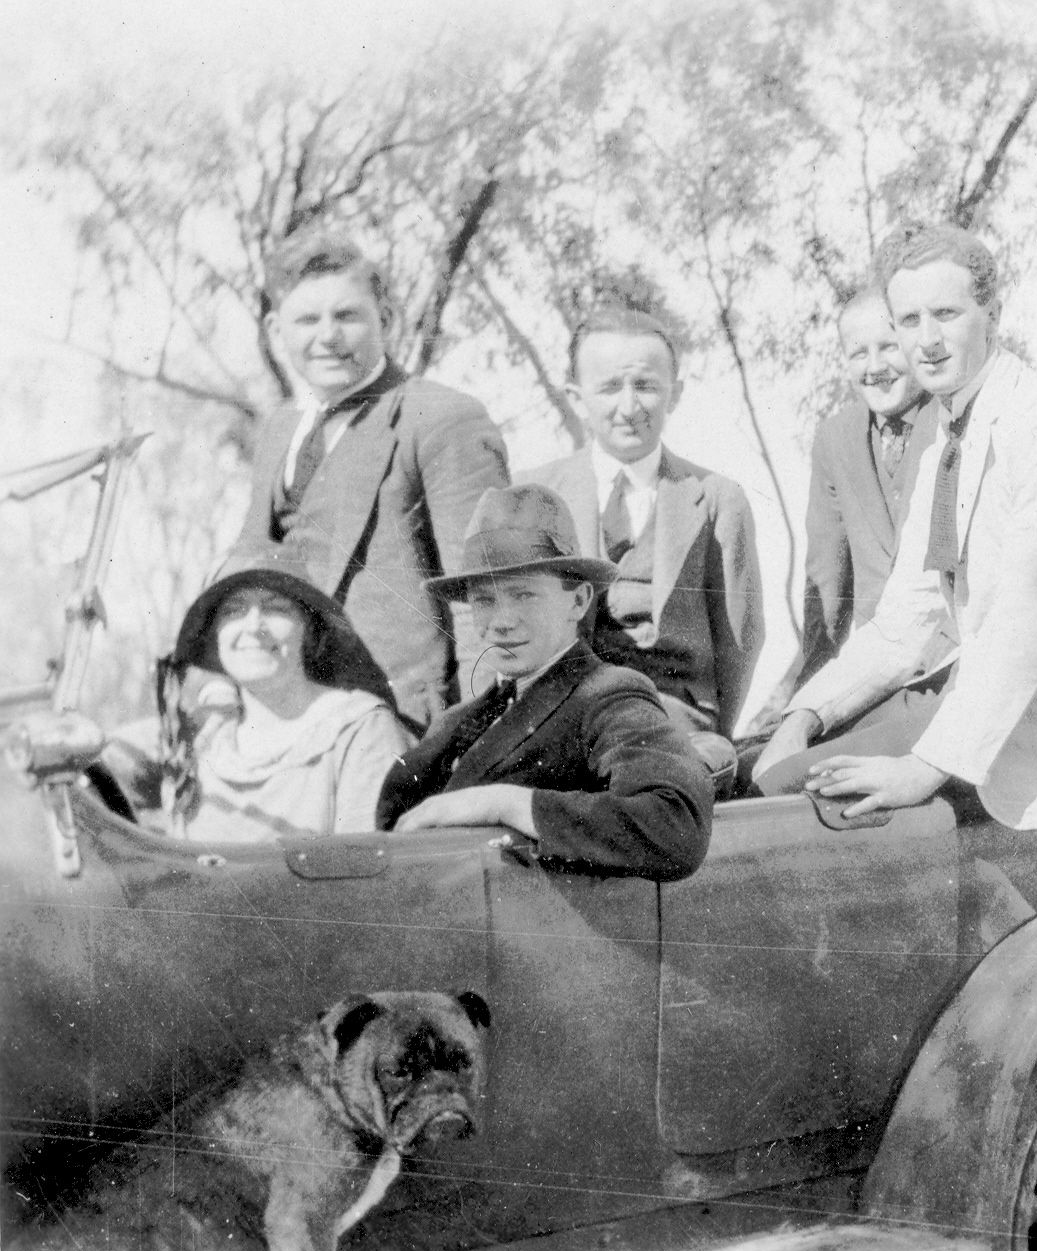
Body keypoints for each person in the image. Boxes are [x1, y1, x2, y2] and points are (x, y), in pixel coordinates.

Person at [755, 222, 1037, 830]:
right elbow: (909, 619)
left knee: (795, 798)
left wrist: (925, 766)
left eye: (946, 313)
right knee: (770, 773)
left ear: (992, 313)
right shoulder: (951, 441)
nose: (926, 340)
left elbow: (1029, 621)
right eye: (908, 320)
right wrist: (806, 715)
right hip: (995, 719)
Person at [230, 232, 509, 731]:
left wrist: (476, 746)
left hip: (402, 721)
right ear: (276, 331)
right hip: (289, 711)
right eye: (307, 320)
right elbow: (247, 563)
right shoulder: (279, 431)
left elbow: (484, 604)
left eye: (347, 316)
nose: (328, 337)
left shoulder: (441, 419)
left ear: (386, 316)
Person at [376, 484, 715, 882]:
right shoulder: (457, 721)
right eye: (485, 600)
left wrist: (502, 804)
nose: (502, 620)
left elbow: (675, 826)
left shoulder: (608, 694)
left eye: (524, 595)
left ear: (579, 601)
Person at [520, 307, 763, 779]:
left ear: (675, 393)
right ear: (576, 397)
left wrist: (711, 729)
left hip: (673, 720)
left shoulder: (716, 499)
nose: (629, 407)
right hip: (560, 716)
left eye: (646, 386)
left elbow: (740, 639)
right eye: (610, 387)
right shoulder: (537, 495)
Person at [106, 555, 414, 841]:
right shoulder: (204, 735)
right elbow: (100, 760)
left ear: (309, 632)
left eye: (275, 608)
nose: (253, 626)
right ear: (216, 636)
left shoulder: (360, 731)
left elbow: (372, 876)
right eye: (234, 610)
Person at [770, 288, 935, 698]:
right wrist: (808, 697)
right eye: (858, 353)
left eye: (889, 347)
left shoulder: (951, 420)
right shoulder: (836, 438)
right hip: (877, 669)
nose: (875, 367)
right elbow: (828, 580)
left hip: (951, 662)